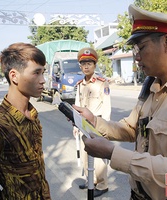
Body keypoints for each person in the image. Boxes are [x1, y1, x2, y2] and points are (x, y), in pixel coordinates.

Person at [73, 4, 167, 200]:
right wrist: (94, 121)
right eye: (135, 49)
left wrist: (113, 154)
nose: (136, 56)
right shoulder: (152, 87)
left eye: (141, 47)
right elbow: (131, 129)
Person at [0, 42, 51, 200]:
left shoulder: (32, 115)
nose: (43, 80)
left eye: (43, 72)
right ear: (14, 76)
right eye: (36, 73)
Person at [74, 47, 111, 197]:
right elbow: (77, 104)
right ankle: (92, 181)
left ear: (95, 65)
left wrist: (106, 126)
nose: (86, 66)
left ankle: (102, 185)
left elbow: (107, 106)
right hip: (83, 125)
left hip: (98, 124)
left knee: (99, 157)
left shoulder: (102, 83)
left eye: (90, 63)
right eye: (83, 63)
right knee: (85, 154)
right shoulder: (79, 85)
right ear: (80, 66)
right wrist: (76, 125)